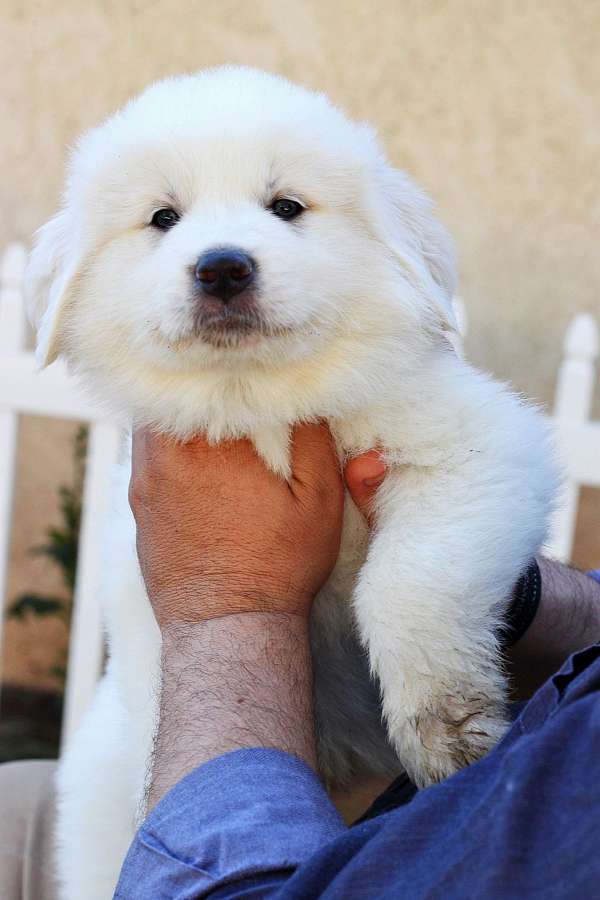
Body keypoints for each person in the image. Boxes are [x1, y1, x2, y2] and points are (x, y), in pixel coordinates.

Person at [108, 423, 600, 899]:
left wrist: (230, 608)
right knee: (40, 802)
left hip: (254, 829)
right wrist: (491, 589)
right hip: (203, 790)